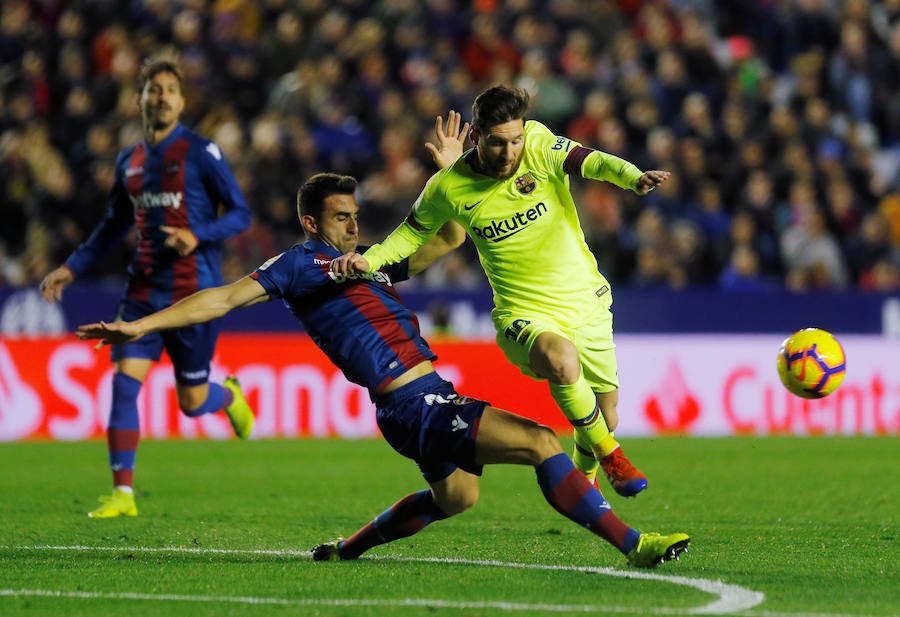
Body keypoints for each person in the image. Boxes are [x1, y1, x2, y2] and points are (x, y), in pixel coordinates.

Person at [76, 170, 690, 568]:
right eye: (341, 217)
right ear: (313, 223)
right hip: (411, 401)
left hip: (418, 400)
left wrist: (455, 170)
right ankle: (633, 546)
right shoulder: (298, 265)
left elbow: (448, 236)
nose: (354, 225)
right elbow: (225, 297)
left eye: (355, 215)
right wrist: (140, 325)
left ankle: (349, 550)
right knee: (539, 440)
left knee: (458, 498)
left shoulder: (369, 264)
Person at [331, 85, 672, 497]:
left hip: (587, 301)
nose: (510, 153)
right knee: (561, 362)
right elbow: (411, 233)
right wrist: (372, 260)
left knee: (607, 412)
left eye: (515, 140)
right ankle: (611, 454)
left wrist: (633, 177)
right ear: (476, 136)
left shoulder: (540, 145)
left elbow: (590, 160)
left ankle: (585, 478)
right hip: (523, 314)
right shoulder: (448, 186)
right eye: (497, 142)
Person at [39, 50, 255, 519]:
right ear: (139, 99)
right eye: (153, 90)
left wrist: (198, 234)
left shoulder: (201, 152)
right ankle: (122, 495)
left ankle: (230, 396)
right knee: (122, 385)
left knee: (193, 403)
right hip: (141, 294)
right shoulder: (129, 161)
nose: (161, 98)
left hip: (195, 294)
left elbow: (240, 212)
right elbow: (112, 226)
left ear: (181, 103)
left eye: (170, 91)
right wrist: (71, 267)